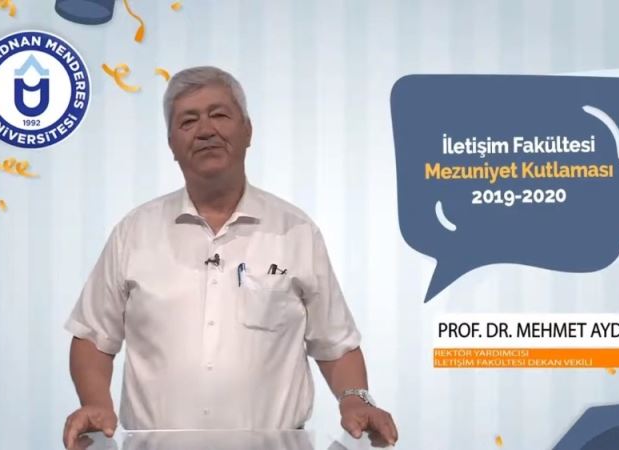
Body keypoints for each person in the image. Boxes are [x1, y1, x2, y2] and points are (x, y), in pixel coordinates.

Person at [62, 66, 398, 449]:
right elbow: (93, 337)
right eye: (188, 121)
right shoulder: (133, 233)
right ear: (171, 144)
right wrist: (95, 402)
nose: (205, 130)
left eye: (219, 115)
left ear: (248, 130)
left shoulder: (296, 231)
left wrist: (356, 398)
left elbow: (335, 343)